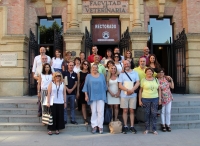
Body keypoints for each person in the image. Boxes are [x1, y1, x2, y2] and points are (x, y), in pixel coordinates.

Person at [82, 64, 107, 134]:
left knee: (101, 111)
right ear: (91, 68)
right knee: (93, 111)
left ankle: (100, 126)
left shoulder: (102, 75)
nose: (94, 69)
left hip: (101, 95)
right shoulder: (88, 76)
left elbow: (105, 86)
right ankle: (94, 126)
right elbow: (85, 86)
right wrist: (86, 95)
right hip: (92, 95)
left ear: (97, 68)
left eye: (96, 68)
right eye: (93, 68)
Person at [118, 60, 140, 134]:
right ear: (123, 65)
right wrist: (127, 90)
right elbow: (120, 85)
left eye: (127, 63)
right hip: (124, 95)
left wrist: (132, 90)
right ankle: (125, 126)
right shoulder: (122, 74)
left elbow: (138, 82)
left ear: (130, 64)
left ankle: (132, 126)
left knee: (132, 110)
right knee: (125, 110)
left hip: (133, 94)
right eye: (125, 64)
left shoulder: (135, 72)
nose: (126, 65)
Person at [139, 67, 161, 135]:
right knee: (147, 114)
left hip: (155, 98)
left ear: (152, 72)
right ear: (145, 73)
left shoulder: (156, 80)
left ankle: (154, 129)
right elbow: (140, 91)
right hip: (145, 99)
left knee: (154, 114)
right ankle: (147, 129)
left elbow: (159, 90)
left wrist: (160, 99)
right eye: (148, 71)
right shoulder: (143, 80)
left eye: (150, 71)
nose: (149, 72)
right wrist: (139, 100)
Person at [157, 68, 174, 132]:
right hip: (162, 97)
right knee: (163, 112)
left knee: (168, 111)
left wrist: (171, 79)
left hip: (169, 97)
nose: (161, 73)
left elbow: (172, 87)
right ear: (158, 74)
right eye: (160, 72)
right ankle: (163, 124)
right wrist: (159, 99)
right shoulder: (157, 80)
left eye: (162, 72)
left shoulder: (166, 79)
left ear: (164, 73)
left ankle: (168, 124)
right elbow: (159, 90)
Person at [77, 60, 91, 125]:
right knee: (83, 105)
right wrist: (77, 92)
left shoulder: (90, 73)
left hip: (90, 91)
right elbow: (78, 83)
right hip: (82, 90)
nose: (86, 65)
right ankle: (85, 119)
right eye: (84, 64)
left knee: (91, 105)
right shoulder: (79, 73)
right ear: (82, 65)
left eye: (87, 64)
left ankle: (92, 118)